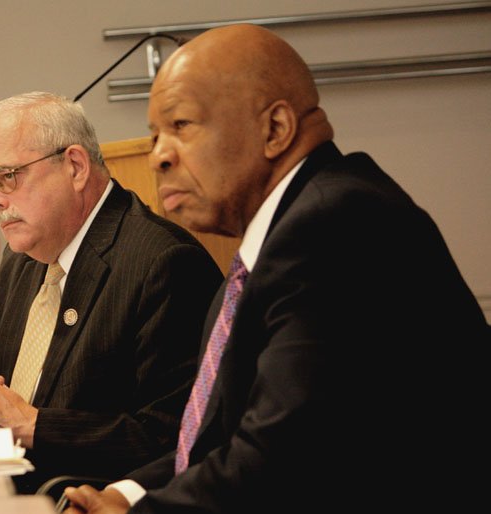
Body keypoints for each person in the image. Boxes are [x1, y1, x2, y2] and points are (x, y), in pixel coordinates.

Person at [62, 24, 490, 513]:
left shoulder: (336, 226)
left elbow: (281, 458)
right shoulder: (279, 241)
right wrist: (123, 492)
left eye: (181, 125)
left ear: (276, 130)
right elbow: (217, 437)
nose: (159, 155)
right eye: (155, 134)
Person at [0, 92, 223, 493]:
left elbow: (171, 437)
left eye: (7, 177)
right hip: (0, 481)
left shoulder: (163, 263)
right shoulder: (24, 258)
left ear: (75, 167)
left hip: (77, 496)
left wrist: (30, 424)